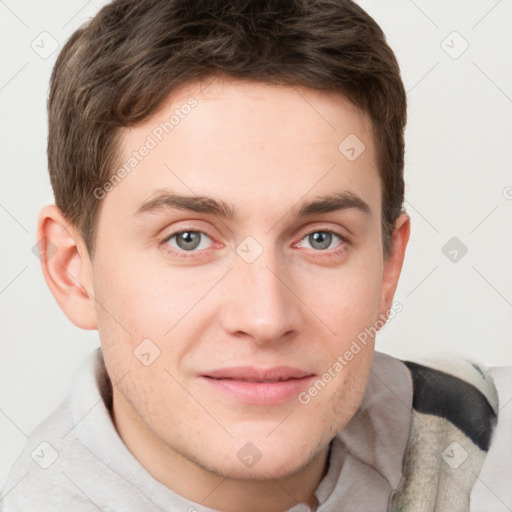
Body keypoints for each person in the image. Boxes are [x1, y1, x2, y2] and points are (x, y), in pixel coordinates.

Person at [1, 1, 510, 511]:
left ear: (388, 267)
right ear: (73, 271)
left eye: (320, 239)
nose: (266, 318)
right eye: (188, 239)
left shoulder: (477, 431)